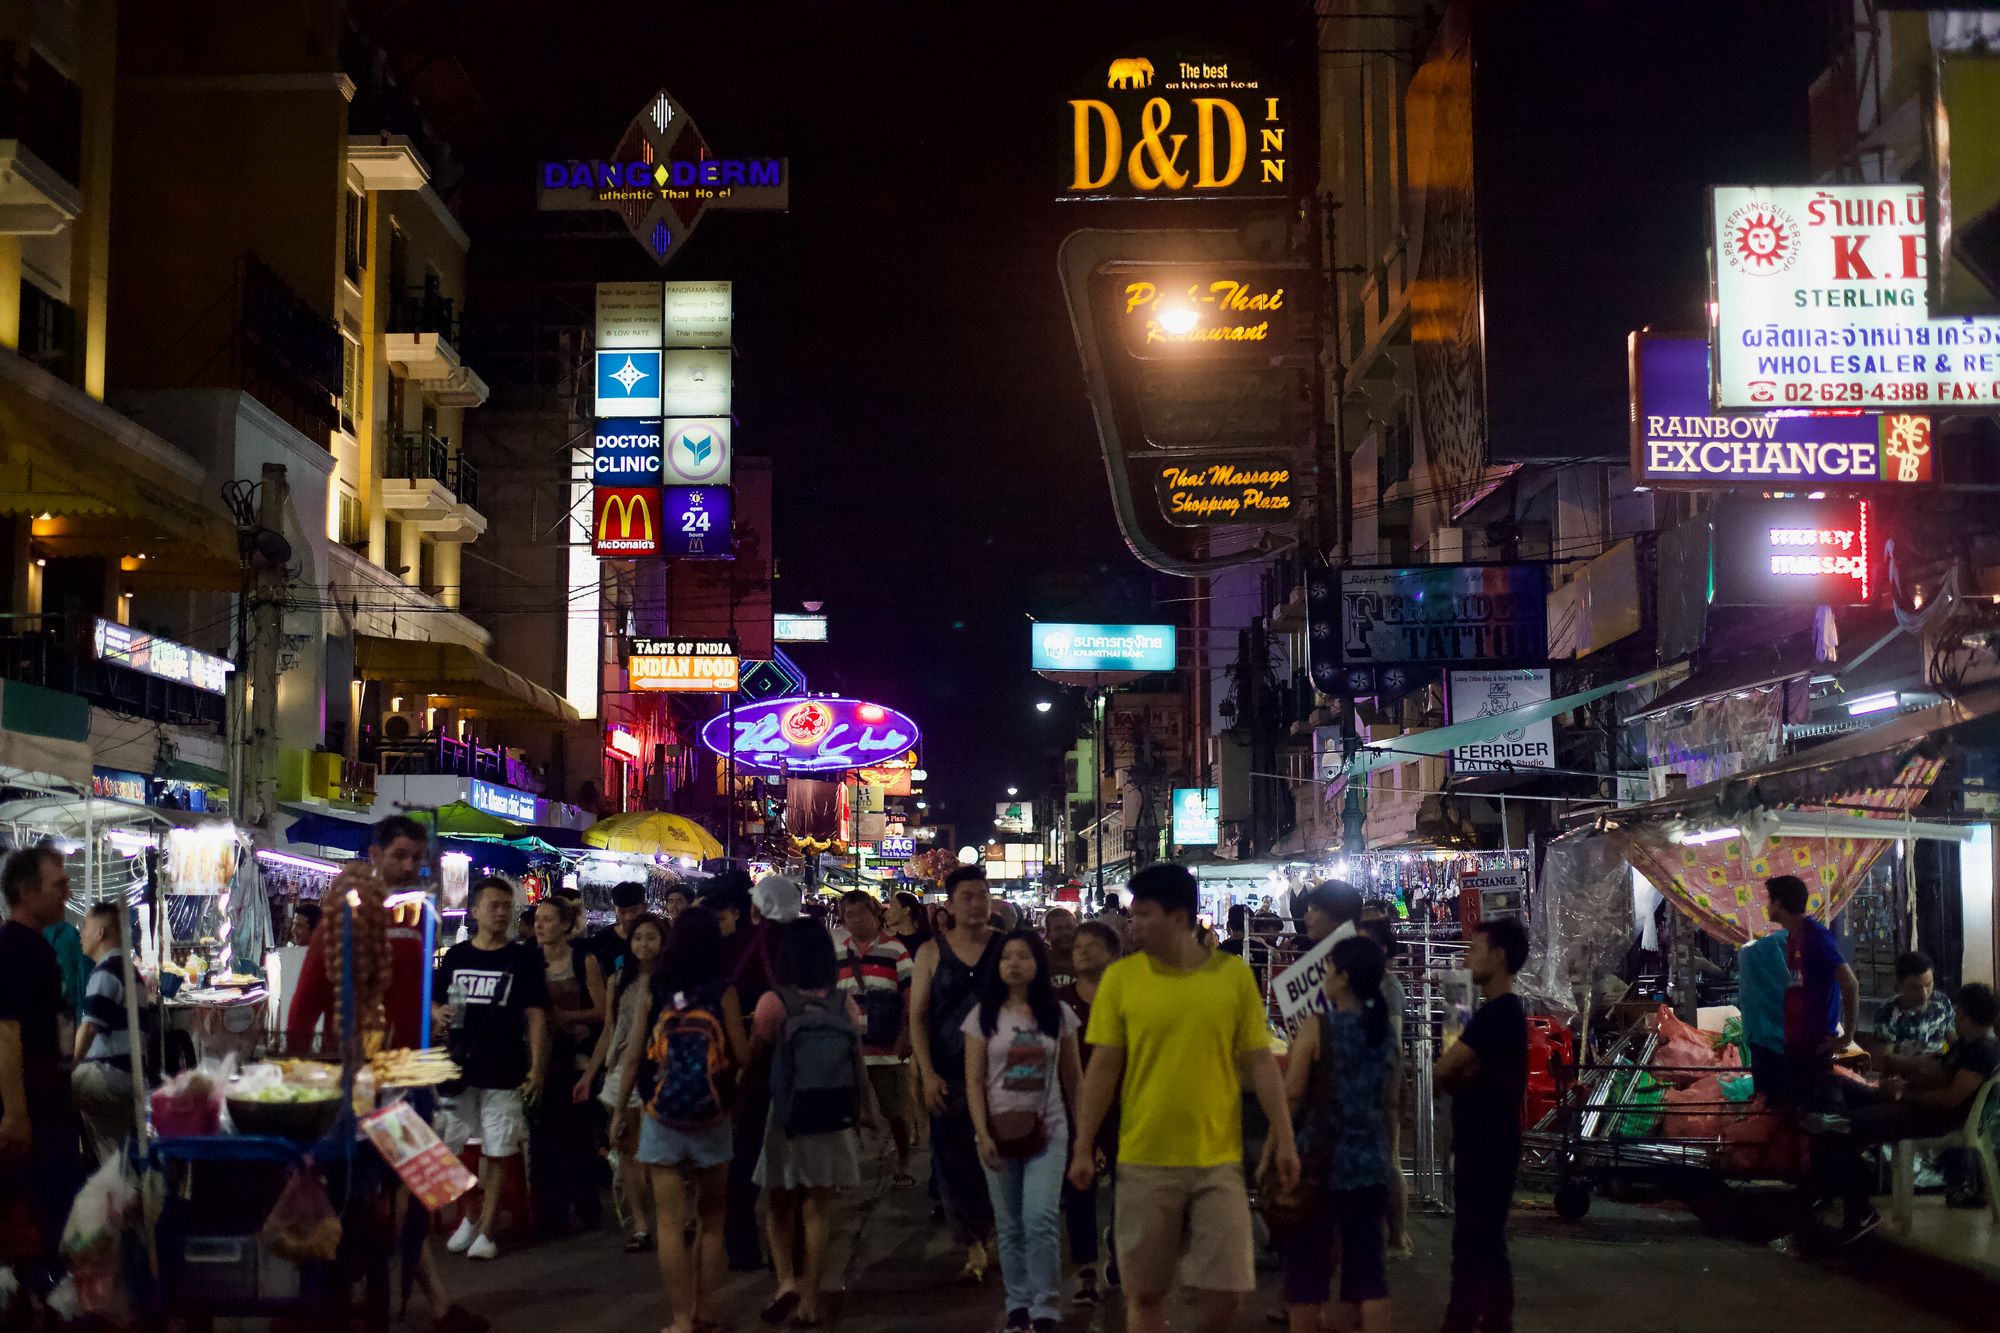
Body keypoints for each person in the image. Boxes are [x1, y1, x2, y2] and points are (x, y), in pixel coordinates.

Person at [1067, 863, 1300, 1333]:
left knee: (1228, 1292)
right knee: (1145, 1292)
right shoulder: (1122, 979)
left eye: (1144, 914)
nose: (1132, 924)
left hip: (1217, 1160)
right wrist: (1083, 1143)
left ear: (1178, 917)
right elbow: (1103, 1068)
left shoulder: (1231, 977)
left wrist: (1285, 1138)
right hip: (1144, 1159)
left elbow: (1259, 1062)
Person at [609, 908, 750, 1333]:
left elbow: (635, 1053)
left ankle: (680, 1320)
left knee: (669, 1225)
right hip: (712, 1115)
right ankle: (706, 1309)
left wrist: (619, 1109)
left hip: (661, 1114)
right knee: (711, 1219)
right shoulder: (723, 990)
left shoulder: (655, 986)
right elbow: (742, 1055)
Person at [752, 920, 876, 1329]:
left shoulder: (774, 1002)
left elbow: (756, 1059)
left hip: (787, 1116)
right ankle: (808, 1301)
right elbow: (857, 1060)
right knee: (818, 1209)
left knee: (779, 1203)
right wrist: (865, 1110)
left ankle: (786, 1281)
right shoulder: (844, 1003)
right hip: (832, 1115)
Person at [1274, 934, 1398, 1333]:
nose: (1324, 976)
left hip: (1320, 1164)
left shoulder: (1318, 1026)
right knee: (1369, 1277)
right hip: (1370, 1164)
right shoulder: (1384, 1032)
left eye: (1329, 969)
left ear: (1344, 977)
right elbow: (1390, 1102)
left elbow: (1292, 1093)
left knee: (1307, 1276)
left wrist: (1277, 1145)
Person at [966, 930, 1081, 1333]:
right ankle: (1018, 1304)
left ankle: (1045, 1306)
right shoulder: (982, 1016)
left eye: (1023, 956)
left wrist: (1085, 1138)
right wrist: (982, 1134)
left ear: (1038, 963)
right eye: (1006, 957)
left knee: (1040, 1218)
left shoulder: (1058, 1014)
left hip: (1049, 1130)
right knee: (1010, 1225)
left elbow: (1074, 1080)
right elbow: (973, 1081)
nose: (1014, 964)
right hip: (996, 1133)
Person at [1824, 982, 2000, 1239]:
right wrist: (1901, 1078)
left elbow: (1949, 1099)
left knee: (1842, 1126)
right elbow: (1938, 1071)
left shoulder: (1984, 1052)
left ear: (1962, 1014)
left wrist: (1903, 1094)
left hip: (1934, 1120)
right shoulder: (1966, 1044)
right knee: (1838, 1085)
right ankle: (1826, 1165)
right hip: (1918, 1106)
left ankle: (1860, 1210)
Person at [436, 877, 549, 1261]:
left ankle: (487, 1228)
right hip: (459, 1067)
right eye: (494, 905)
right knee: (450, 1144)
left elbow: (536, 1015)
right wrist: (439, 1012)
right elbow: (434, 1001)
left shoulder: (524, 958)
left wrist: (536, 1068)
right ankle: (470, 1213)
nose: (502, 913)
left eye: (507, 906)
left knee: (499, 1148)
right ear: (475, 911)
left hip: (505, 1066)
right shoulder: (456, 956)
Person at [910, 866, 1005, 1281]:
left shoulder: (1006, 948)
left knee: (998, 1154)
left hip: (1000, 1074)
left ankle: (995, 1228)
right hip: (948, 1071)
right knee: (952, 1159)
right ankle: (972, 1242)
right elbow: (918, 1017)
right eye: (967, 896)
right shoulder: (931, 952)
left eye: (982, 895)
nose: (977, 903)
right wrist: (926, 1072)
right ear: (948, 905)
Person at [1435, 917, 1530, 1333]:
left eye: (1474, 949)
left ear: (1499, 956)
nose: (1466, 958)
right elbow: (1453, 1069)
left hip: (1487, 1147)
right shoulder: (1493, 1013)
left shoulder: (1500, 1014)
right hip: (1487, 1143)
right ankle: (1496, 1321)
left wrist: (1460, 1071)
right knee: (1487, 1239)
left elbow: (1444, 1069)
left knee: (1473, 1241)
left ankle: (1461, 1321)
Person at [0, 847, 83, 1297]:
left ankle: (42, 1295)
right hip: (32, 1111)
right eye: (59, 885)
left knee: (50, 1209)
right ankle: (40, 1298)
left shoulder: (38, 944)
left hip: (47, 1103)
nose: (67, 894)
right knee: (40, 1211)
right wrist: (15, 1113)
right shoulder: (13, 947)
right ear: (25, 891)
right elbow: (6, 1031)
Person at [287, 816, 436, 1052]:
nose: (409, 867)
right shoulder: (344, 917)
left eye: (416, 858)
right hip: (350, 1059)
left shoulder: (417, 918)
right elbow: (307, 999)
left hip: (407, 1061)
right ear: (376, 855)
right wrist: (296, 1058)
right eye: (399, 856)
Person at [702, 870, 779, 1272]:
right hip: (773, 1054)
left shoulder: (714, 949)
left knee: (740, 1156)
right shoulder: (776, 938)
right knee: (775, 1154)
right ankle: (782, 1253)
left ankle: (743, 1248)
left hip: (734, 1060)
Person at [578, 912, 668, 1252]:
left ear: (663, 942)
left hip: (660, 1072)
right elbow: (610, 1032)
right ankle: (642, 1225)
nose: (643, 944)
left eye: (651, 937)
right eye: (638, 938)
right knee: (628, 1151)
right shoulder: (618, 981)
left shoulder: (670, 980)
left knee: (658, 1154)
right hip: (621, 1071)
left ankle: (671, 1220)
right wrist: (590, 1074)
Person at [530, 895, 605, 1238]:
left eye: (548, 919)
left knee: (577, 1137)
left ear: (565, 925)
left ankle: (586, 1207)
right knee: (544, 1142)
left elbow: (602, 1011)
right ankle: (550, 1215)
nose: (540, 925)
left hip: (577, 1060)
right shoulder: (530, 961)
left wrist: (566, 1017)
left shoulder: (582, 960)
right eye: (538, 919)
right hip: (541, 1061)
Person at [832, 890, 917, 1187]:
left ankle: (903, 1160)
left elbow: (911, 995)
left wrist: (908, 1033)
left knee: (895, 1110)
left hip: (888, 1047)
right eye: (849, 915)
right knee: (845, 1112)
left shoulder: (896, 950)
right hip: (849, 1048)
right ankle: (844, 1169)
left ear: (875, 915)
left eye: (861, 913)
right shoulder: (837, 953)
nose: (856, 920)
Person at [1056, 920, 1121, 1305]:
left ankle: (1118, 1248)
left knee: (1126, 1187)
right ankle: (1086, 1271)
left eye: (1091, 945)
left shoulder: (1124, 998)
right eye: (1078, 945)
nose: (1081, 951)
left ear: (1112, 953)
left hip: (1123, 1106)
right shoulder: (1060, 1001)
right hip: (1072, 1107)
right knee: (1079, 1188)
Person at [1765, 874, 1860, 1120]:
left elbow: (1850, 982)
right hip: (1796, 1042)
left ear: (1778, 904)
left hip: (1814, 1044)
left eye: (1769, 900)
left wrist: (1847, 1037)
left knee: (1820, 1115)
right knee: (1803, 1112)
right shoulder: (1793, 937)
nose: (1766, 906)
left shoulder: (1814, 936)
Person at [1359, 913, 1412, 1257]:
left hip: (1383, 1080)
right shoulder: (1368, 984)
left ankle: (1398, 1238)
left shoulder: (1388, 987)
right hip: (1369, 1080)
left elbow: (1392, 1041)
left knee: (1390, 1160)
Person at [72, 903, 142, 1163]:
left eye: (85, 927)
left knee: (47, 1088)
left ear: (100, 932)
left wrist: (69, 1066)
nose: (81, 934)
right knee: (114, 1154)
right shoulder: (128, 969)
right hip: (128, 1078)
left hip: (110, 1077)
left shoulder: (107, 970)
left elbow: (89, 1028)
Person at [1737, 925, 1792, 1107]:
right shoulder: (1795, 944)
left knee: (1768, 1103)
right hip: (1786, 1039)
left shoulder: (1749, 953)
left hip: (1762, 1038)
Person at [1873, 950, 1956, 1057]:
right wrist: (1919, 1064)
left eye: (1928, 984)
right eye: (1916, 988)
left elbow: (1952, 1038)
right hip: (1906, 1066)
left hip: (1939, 1064)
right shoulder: (1888, 1013)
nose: (1924, 993)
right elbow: (1886, 1058)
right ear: (1900, 985)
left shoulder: (1941, 1001)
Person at [589, 881, 649, 997]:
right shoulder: (603, 938)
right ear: (615, 910)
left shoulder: (658, 936)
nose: (629, 917)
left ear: (644, 907)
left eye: (634, 911)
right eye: (622, 911)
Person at [885, 890, 933, 959]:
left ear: (906, 910)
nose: (887, 911)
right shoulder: (890, 943)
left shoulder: (927, 943)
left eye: (891, 906)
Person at [1041, 908, 1079, 990]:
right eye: (1058, 929)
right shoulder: (1039, 964)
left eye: (1069, 927)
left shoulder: (1088, 963)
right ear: (1048, 934)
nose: (1065, 933)